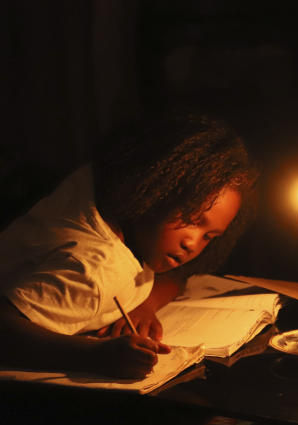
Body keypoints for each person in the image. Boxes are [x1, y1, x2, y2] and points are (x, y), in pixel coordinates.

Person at [0, 113, 259, 379]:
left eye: (210, 236)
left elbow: (174, 277)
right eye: (191, 218)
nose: (192, 244)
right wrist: (93, 356)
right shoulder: (98, 270)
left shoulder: (97, 186)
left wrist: (144, 304)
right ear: (159, 188)